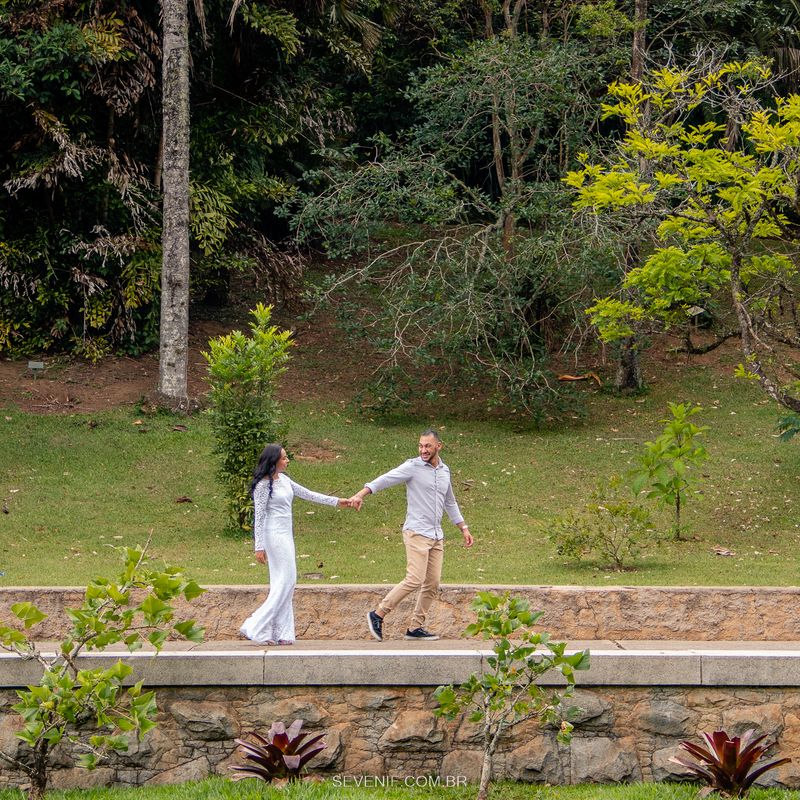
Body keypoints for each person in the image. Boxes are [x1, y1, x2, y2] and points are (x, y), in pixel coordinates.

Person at [349, 429, 473, 641]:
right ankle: (378, 614)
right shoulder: (412, 467)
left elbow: (449, 501)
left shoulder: (445, 471)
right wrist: (361, 494)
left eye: (428, 446)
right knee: (414, 579)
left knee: (432, 584)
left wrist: (463, 527)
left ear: (438, 447)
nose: (423, 450)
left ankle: (415, 628)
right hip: (416, 532)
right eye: (421, 446)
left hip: (436, 536)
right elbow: (385, 479)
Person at [240, 443, 352, 645]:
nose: (287, 460)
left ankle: (281, 633)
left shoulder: (285, 480)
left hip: (286, 534)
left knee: (282, 583)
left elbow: (309, 494)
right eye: (284, 458)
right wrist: (259, 546)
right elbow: (260, 516)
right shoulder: (263, 486)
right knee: (287, 580)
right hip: (273, 535)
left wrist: (337, 501)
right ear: (273, 461)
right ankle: (255, 625)